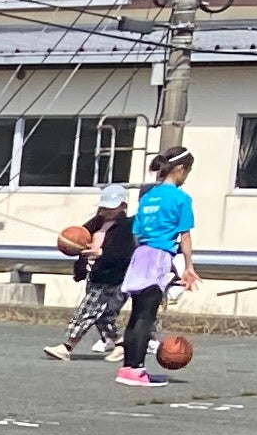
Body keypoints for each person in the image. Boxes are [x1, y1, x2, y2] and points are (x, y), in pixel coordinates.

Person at [118, 143, 202, 389]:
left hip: (140, 255)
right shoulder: (181, 198)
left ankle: (127, 367)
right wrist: (188, 266)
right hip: (158, 257)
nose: (186, 177)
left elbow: (137, 231)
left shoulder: (148, 197)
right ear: (180, 169)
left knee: (136, 314)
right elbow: (184, 235)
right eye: (187, 172)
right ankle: (137, 370)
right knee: (147, 316)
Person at [40, 185, 135, 362]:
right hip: (95, 275)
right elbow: (80, 243)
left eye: (111, 207)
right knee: (103, 316)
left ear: (123, 206)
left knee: (87, 311)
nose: (106, 211)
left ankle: (67, 346)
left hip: (112, 278)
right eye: (104, 207)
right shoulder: (95, 223)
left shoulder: (127, 227)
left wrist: (102, 253)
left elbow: (125, 254)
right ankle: (121, 344)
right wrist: (74, 255)